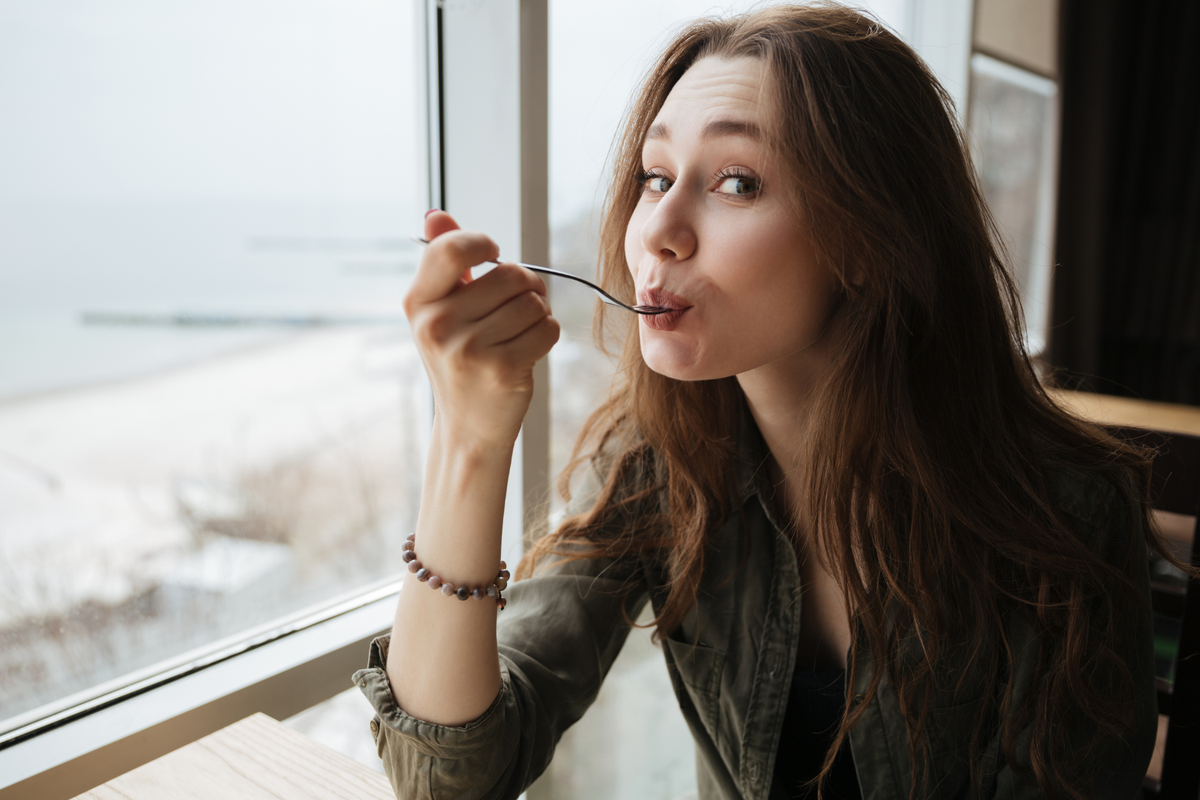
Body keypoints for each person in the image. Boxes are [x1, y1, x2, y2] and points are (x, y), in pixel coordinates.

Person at [354, 3, 1173, 798]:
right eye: (656, 176)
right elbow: (448, 778)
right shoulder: (657, 463)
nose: (658, 230)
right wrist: (469, 432)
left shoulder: (1067, 516)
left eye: (737, 182)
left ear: (866, 242)